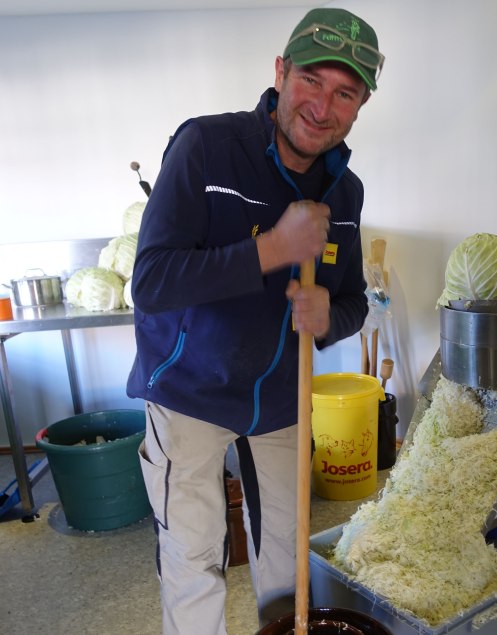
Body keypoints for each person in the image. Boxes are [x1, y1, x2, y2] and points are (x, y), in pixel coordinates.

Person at [126, 7, 384, 634]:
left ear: (360, 106)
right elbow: (152, 281)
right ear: (280, 72)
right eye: (311, 81)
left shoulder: (343, 194)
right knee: (193, 558)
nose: (322, 106)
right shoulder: (207, 147)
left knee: (288, 563)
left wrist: (330, 316)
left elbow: (349, 300)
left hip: (280, 403)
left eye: (344, 93)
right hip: (188, 392)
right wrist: (273, 248)